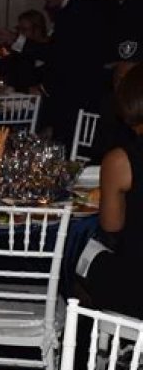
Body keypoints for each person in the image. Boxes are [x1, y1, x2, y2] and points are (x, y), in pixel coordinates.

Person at [76, 62, 143, 319]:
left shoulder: (121, 160)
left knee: (76, 253)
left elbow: (111, 225)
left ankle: (83, 331)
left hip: (136, 289)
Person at [38, 0, 103, 152]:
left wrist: (20, 42)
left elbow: (58, 57)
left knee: (65, 149)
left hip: (71, 99)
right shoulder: (88, 7)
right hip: (88, 96)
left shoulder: (69, 13)